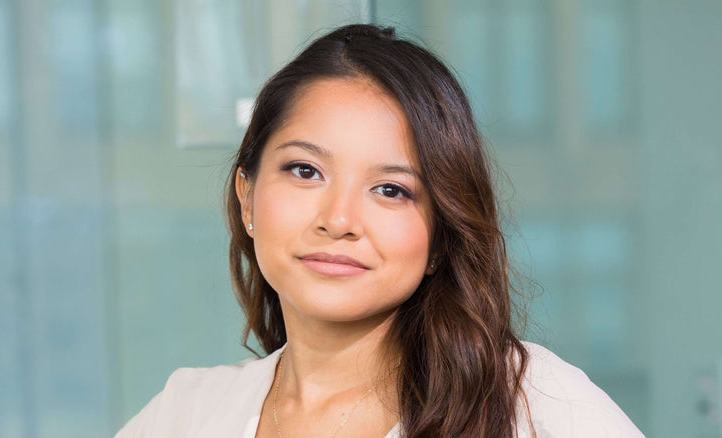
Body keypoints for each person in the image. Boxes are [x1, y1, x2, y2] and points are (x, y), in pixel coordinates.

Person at [115, 23, 644, 438]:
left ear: (441, 235)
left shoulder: (531, 402)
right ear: (247, 196)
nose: (339, 220)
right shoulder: (186, 412)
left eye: (391, 189)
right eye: (305, 170)